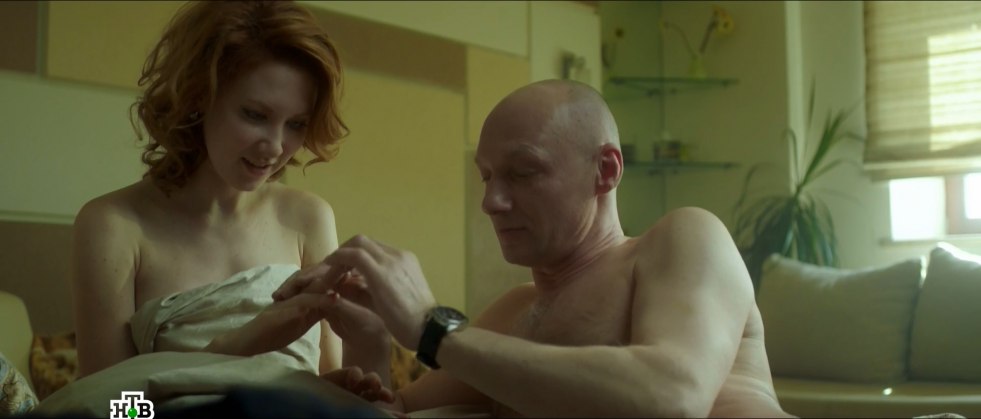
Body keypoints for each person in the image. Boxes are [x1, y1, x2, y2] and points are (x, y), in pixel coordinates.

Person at [274, 79, 794, 417]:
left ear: (605, 170)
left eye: (523, 172)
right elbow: (398, 412)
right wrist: (370, 336)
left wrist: (434, 328)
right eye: (486, 177)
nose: (491, 202)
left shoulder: (681, 239)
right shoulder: (513, 314)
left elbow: (673, 398)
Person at [66, 0, 391, 410]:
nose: (275, 147)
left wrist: (336, 387)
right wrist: (236, 346)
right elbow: (112, 412)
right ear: (198, 96)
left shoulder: (308, 217)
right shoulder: (114, 226)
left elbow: (331, 379)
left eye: (296, 124)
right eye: (255, 115)